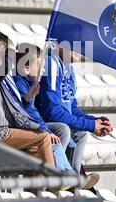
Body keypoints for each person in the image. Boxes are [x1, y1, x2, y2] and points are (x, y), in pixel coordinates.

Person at [36, 42, 113, 187]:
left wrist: (95, 121)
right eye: (75, 44)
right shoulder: (51, 64)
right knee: (64, 128)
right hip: (41, 125)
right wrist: (91, 125)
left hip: (56, 122)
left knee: (82, 132)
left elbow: (71, 107)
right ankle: (58, 182)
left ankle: (74, 179)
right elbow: (53, 113)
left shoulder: (67, 68)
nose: (81, 49)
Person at [0, 31, 54, 166]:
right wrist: (12, 49)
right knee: (44, 138)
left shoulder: (3, 76)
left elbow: (12, 104)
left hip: (3, 130)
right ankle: (54, 181)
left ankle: (39, 183)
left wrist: (27, 97)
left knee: (36, 146)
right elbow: (6, 64)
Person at [13, 43, 73, 173]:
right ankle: (61, 176)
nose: (44, 70)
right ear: (26, 68)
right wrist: (46, 130)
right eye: (40, 66)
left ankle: (68, 174)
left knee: (62, 129)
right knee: (53, 143)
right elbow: (29, 113)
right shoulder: (20, 83)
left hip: (31, 125)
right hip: (22, 128)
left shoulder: (30, 83)